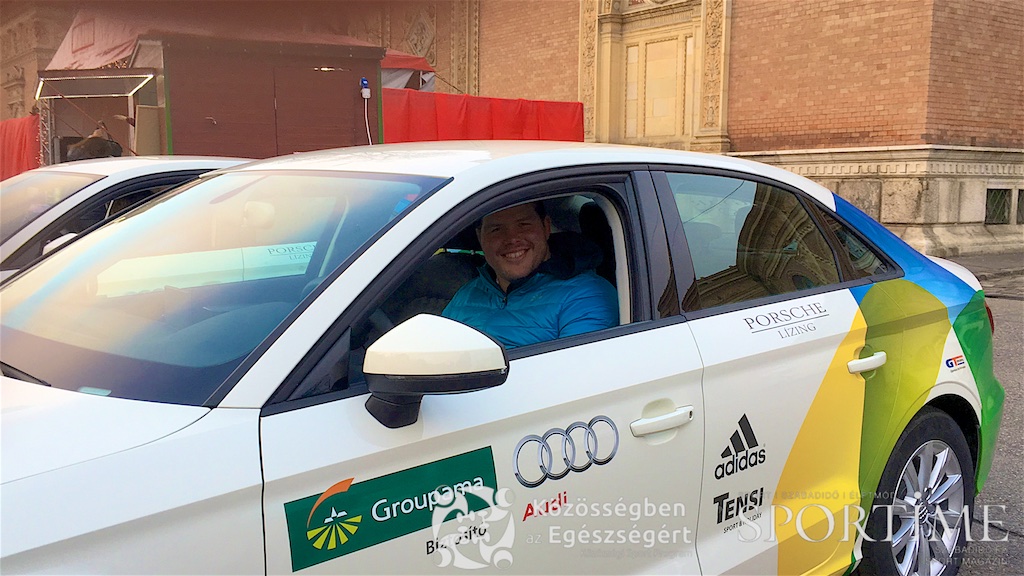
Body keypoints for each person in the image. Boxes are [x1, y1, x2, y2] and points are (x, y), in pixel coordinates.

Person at [442, 202, 618, 348]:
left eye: (524, 225)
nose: (512, 238)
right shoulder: (466, 294)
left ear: (546, 227)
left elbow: (574, 373)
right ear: (480, 237)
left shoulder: (587, 295)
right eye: (496, 229)